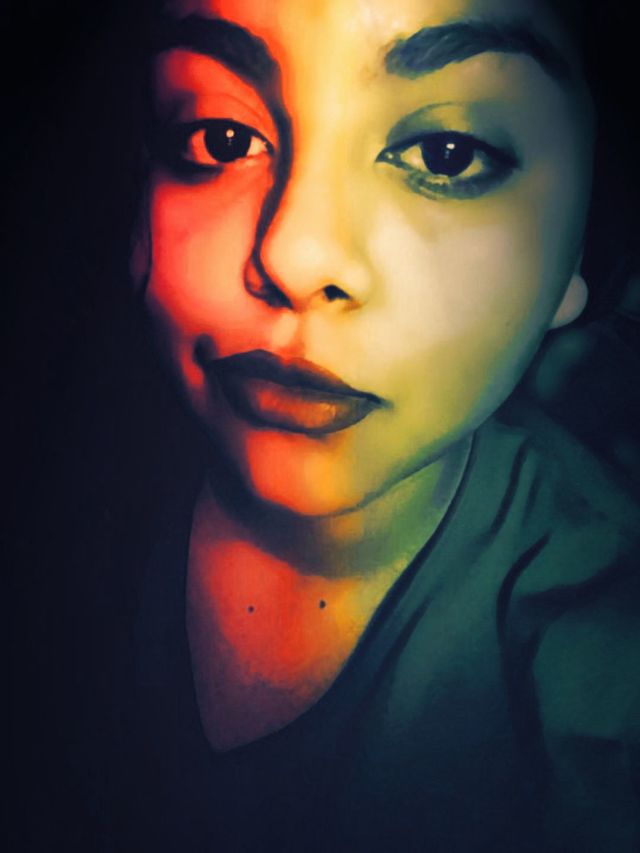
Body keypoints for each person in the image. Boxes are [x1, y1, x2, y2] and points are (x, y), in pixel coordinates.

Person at [7, 0, 639, 851]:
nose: (295, 255)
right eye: (219, 139)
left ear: (583, 245)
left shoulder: (599, 681)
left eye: (446, 154)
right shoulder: (49, 483)